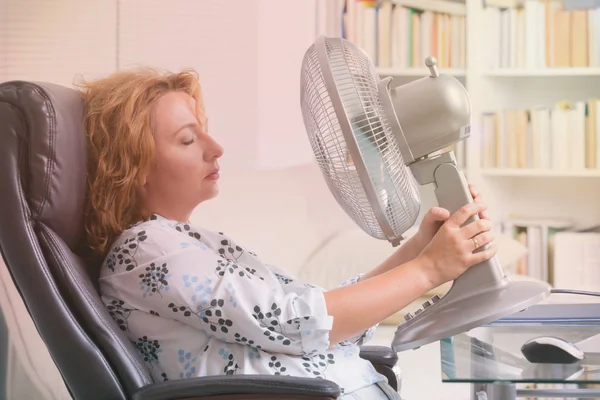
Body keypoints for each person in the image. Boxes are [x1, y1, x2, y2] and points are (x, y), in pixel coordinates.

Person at [79, 67, 496, 400]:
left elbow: (314, 313)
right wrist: (428, 269)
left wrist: (419, 250)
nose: (215, 146)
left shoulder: (187, 242)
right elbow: (295, 325)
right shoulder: (148, 249)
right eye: (188, 139)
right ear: (131, 167)